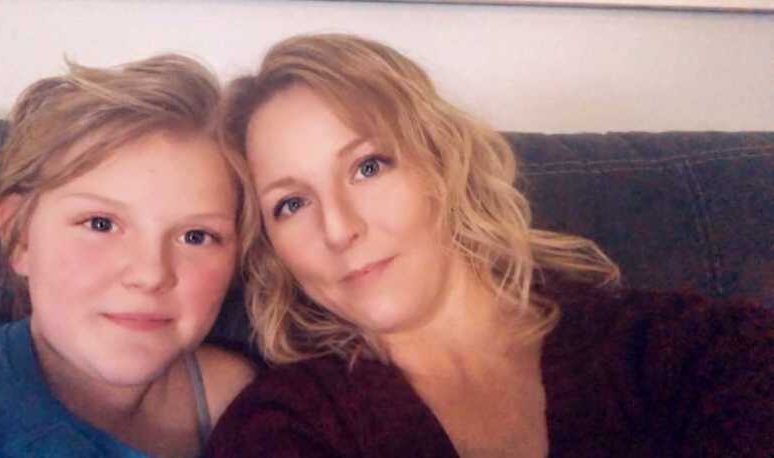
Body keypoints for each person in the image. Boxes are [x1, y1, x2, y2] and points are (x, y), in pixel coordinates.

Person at [206, 34, 774, 457]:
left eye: (368, 166)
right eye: (291, 203)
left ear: (443, 163)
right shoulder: (284, 424)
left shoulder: (673, 348)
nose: (338, 228)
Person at [0, 54, 255, 457]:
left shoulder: (250, 398)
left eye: (196, 236)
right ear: (19, 237)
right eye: (100, 224)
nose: (149, 274)